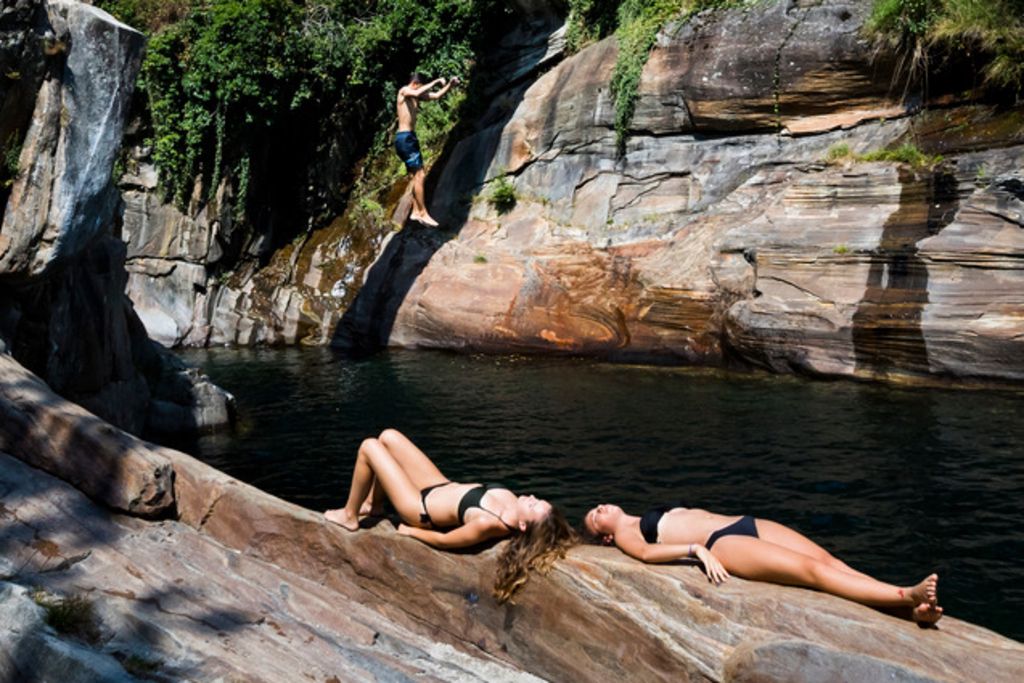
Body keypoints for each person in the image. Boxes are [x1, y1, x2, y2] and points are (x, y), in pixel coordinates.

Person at [583, 502, 943, 624]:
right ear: (605, 538)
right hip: (723, 544)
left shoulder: (637, 514)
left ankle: (909, 611)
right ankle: (903, 593)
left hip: (743, 522)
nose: (600, 509)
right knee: (814, 573)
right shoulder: (629, 534)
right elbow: (647, 555)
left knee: (829, 560)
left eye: (597, 507)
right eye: (595, 517)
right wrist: (696, 549)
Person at [325, 428, 577, 602]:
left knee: (369, 446)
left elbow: (446, 541)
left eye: (534, 506)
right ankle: (373, 504)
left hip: (418, 507)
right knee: (388, 437)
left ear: (523, 525)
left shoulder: (489, 523)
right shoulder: (513, 503)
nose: (532, 498)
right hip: (439, 484)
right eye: (538, 500)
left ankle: (350, 515)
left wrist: (411, 531)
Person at [395, 72, 459, 228]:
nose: (422, 90)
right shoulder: (404, 91)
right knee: (420, 175)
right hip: (405, 139)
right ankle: (422, 212)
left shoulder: (416, 96)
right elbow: (417, 91)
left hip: (409, 138)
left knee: (415, 176)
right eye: (421, 86)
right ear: (416, 83)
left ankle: (416, 211)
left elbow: (436, 96)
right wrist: (436, 80)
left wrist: (450, 85)